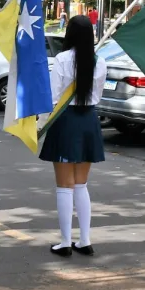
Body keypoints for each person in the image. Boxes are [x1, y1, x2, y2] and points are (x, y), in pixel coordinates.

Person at [39, 15, 107, 257]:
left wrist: (40, 123)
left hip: (66, 120)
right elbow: (97, 94)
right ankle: (85, 240)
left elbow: (54, 96)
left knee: (64, 186)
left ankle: (66, 241)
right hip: (89, 119)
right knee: (81, 184)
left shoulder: (62, 59)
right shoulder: (100, 62)